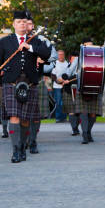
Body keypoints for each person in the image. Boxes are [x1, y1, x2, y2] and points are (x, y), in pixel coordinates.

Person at [0, 11, 51, 163]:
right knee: (14, 116)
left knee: (25, 119)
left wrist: (29, 47)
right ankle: (16, 150)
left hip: (30, 84)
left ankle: (23, 146)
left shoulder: (35, 41)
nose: (22, 24)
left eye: (25, 22)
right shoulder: (5, 42)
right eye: (19, 22)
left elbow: (47, 53)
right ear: (14, 24)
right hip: (11, 84)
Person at [26, 17, 57, 155]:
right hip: (20, 82)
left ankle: (33, 141)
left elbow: (54, 55)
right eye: (24, 22)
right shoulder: (14, 39)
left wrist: (44, 58)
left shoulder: (43, 40)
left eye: (30, 23)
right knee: (22, 115)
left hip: (37, 81)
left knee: (36, 115)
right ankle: (22, 140)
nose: (28, 25)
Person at [65, 38, 104, 144]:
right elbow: (68, 72)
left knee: (93, 114)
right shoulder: (78, 59)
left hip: (95, 88)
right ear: (82, 46)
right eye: (87, 46)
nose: (89, 48)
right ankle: (85, 134)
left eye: (91, 45)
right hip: (82, 87)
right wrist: (76, 73)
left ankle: (88, 132)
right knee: (83, 112)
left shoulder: (99, 58)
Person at [51, 49, 69, 123]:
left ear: (64, 55)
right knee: (58, 103)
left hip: (65, 86)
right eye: (59, 54)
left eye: (62, 54)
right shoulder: (55, 63)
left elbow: (69, 73)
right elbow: (53, 75)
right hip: (57, 87)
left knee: (64, 102)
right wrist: (58, 81)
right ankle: (58, 118)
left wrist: (65, 81)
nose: (60, 56)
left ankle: (64, 117)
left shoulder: (67, 64)